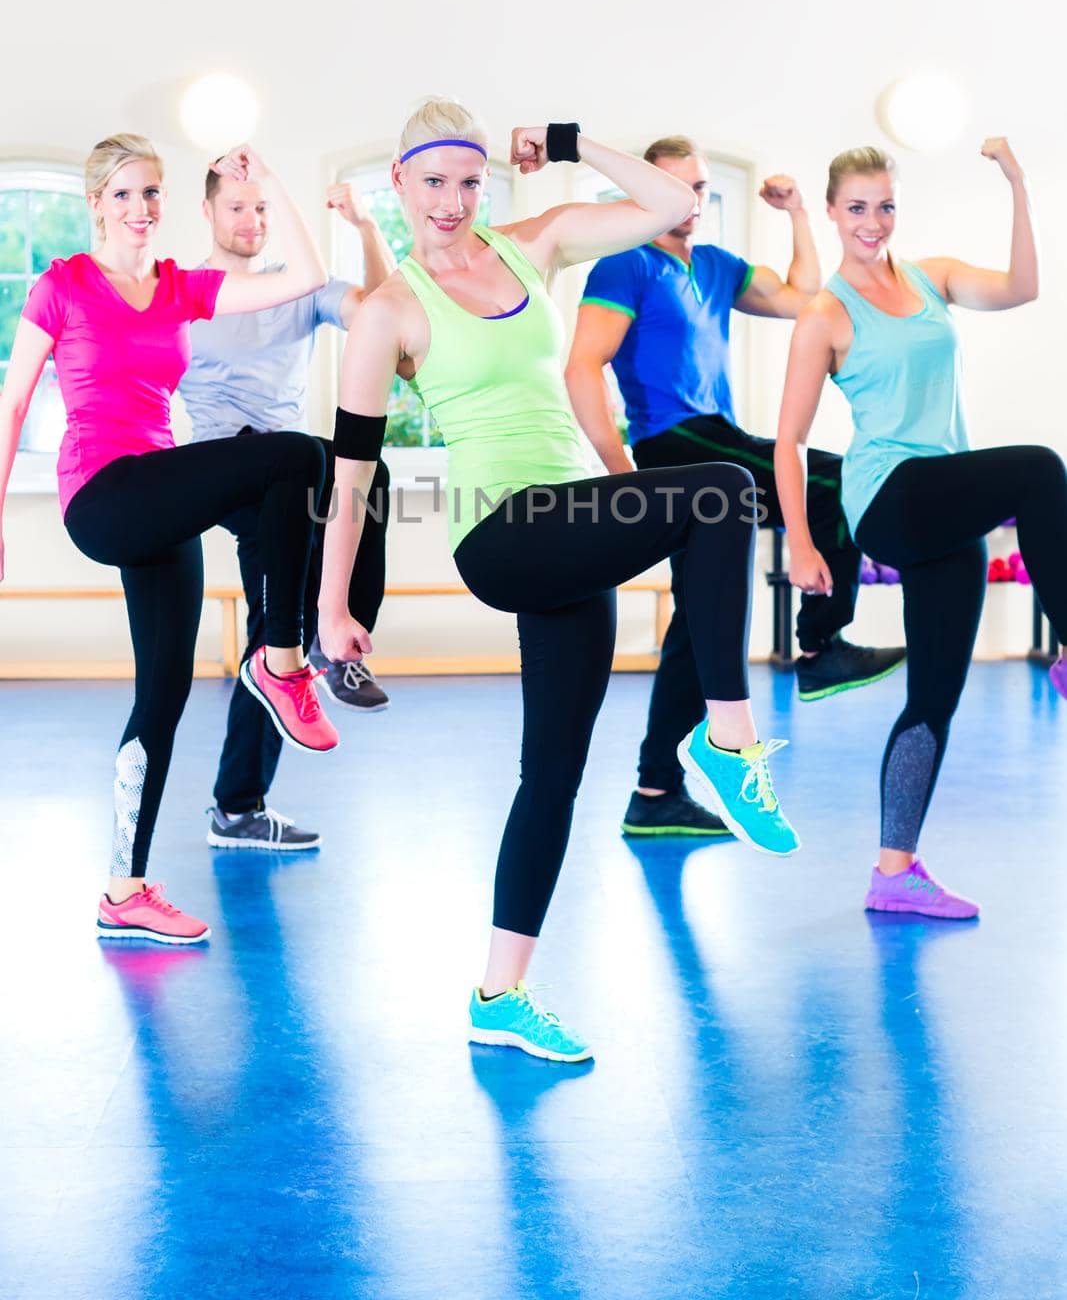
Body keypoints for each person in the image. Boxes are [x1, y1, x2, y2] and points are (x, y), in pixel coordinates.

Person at [316, 99, 801, 1063]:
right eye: (432, 184)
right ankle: (726, 737)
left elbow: (664, 202)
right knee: (719, 491)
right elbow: (352, 470)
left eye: (467, 181)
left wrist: (572, 145)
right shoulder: (391, 309)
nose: (452, 202)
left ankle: (499, 992)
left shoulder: (532, 245)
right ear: (400, 187)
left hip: (571, 523)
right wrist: (331, 605)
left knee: (554, 775)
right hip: (499, 532)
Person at [0, 135, 339, 945]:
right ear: (95, 205)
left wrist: (273, 181)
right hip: (104, 494)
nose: (140, 209)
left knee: (164, 695)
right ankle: (282, 660)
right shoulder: (63, 286)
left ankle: (125, 889)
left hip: (161, 499)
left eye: (151, 193)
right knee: (296, 456)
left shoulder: (180, 288)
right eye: (122, 195)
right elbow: (11, 406)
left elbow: (308, 278)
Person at [565, 135, 905, 839]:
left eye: (697, 186)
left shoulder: (716, 266)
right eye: (675, 185)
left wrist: (797, 215)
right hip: (671, 445)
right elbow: (582, 367)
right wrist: (621, 476)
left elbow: (801, 297)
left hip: (717, 435)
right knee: (833, 480)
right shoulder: (624, 264)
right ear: (641, 191)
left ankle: (654, 789)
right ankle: (820, 643)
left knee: (700, 622)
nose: (689, 198)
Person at [775, 139, 1066, 919]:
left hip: (943, 498)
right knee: (1040, 468)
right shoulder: (824, 314)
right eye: (858, 208)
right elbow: (788, 442)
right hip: (889, 496)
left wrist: (1015, 182)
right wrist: (801, 541)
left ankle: (892, 872)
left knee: (934, 695)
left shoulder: (929, 277)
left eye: (885, 206)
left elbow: (1020, 288)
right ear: (833, 212)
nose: (873, 222)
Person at [180, 171, 396, 853]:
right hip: (227, 467)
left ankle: (240, 803)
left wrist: (364, 227)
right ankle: (240, 800)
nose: (250, 219)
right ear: (208, 209)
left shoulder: (296, 288)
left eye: (261, 207)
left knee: (277, 638)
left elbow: (380, 311)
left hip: (291, 471)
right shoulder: (183, 293)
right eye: (236, 206)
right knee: (280, 618)